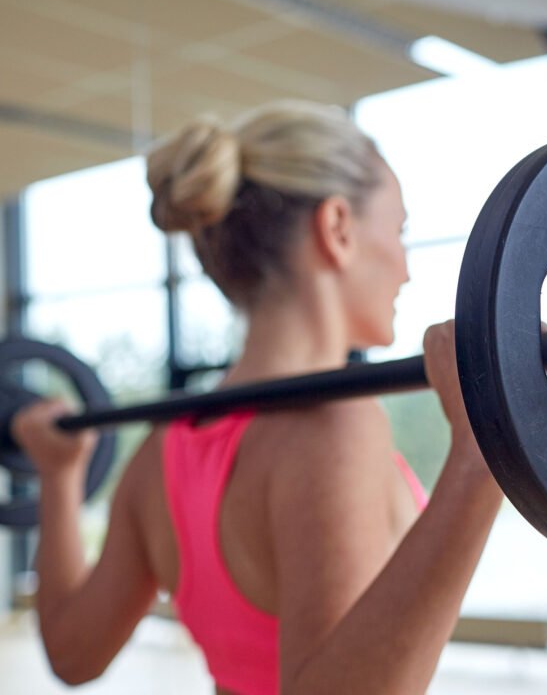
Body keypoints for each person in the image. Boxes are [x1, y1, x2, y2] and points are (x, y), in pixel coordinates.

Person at [12, 100, 504, 694]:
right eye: (398, 231)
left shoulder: (163, 452)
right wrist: (481, 462)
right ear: (338, 228)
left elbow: (73, 651)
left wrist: (59, 478)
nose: (405, 268)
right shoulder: (334, 433)